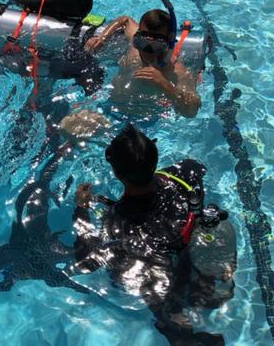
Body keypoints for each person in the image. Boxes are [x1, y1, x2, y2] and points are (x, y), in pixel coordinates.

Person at [71, 124, 235, 345]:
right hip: (197, 255)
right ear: (155, 160)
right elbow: (201, 171)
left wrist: (81, 209)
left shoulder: (116, 221)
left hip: (165, 273)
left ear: (117, 173)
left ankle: (176, 333)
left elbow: (86, 260)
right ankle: (203, 289)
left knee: (124, 271)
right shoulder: (186, 172)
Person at [83, 0, 200, 118]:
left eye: (155, 46)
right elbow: (125, 20)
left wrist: (165, 84)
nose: (146, 51)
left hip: (143, 120)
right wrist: (102, 38)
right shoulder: (135, 46)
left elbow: (191, 111)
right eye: (141, 43)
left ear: (168, 44)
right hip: (109, 106)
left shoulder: (176, 71)